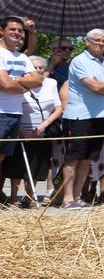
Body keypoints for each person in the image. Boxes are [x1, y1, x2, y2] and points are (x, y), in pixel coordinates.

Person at [55, 29, 104, 208]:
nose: (101, 43)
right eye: (97, 40)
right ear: (87, 41)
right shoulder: (80, 61)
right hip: (79, 116)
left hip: (101, 116)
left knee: (88, 159)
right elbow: (93, 86)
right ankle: (67, 198)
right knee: (73, 158)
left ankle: (78, 196)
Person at [0, 16, 44, 184]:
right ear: (1, 31)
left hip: (15, 112)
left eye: (20, 30)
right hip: (1, 112)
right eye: (12, 29)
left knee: (3, 156)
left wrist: (15, 81)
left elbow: (38, 80)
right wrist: (24, 84)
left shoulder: (23, 57)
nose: (17, 33)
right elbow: (5, 85)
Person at [13, 55, 61, 205]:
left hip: (42, 131)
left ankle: (29, 196)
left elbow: (58, 107)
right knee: (17, 166)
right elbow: (12, 108)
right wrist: (21, 131)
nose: (38, 70)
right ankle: (14, 198)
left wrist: (44, 125)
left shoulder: (51, 83)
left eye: (41, 68)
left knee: (36, 165)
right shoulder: (19, 84)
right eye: (35, 68)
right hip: (22, 131)